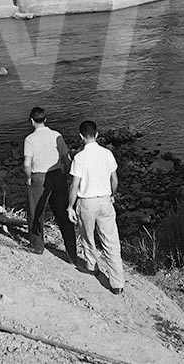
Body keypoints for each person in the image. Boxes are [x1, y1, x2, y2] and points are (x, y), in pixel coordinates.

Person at [67, 120, 124, 295]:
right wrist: (112, 195)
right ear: (97, 134)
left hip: (87, 202)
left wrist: (70, 206)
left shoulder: (79, 157)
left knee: (87, 236)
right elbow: (114, 179)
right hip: (105, 200)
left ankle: (92, 265)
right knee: (111, 241)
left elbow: (74, 186)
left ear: (81, 136)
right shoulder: (107, 154)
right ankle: (117, 283)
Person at [23, 106, 77, 261]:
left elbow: (27, 163)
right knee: (63, 214)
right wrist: (66, 174)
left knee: (36, 212)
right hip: (57, 175)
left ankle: (37, 245)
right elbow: (67, 158)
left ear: (31, 121)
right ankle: (72, 253)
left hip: (39, 177)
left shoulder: (30, 139)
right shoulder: (56, 135)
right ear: (45, 120)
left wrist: (28, 178)